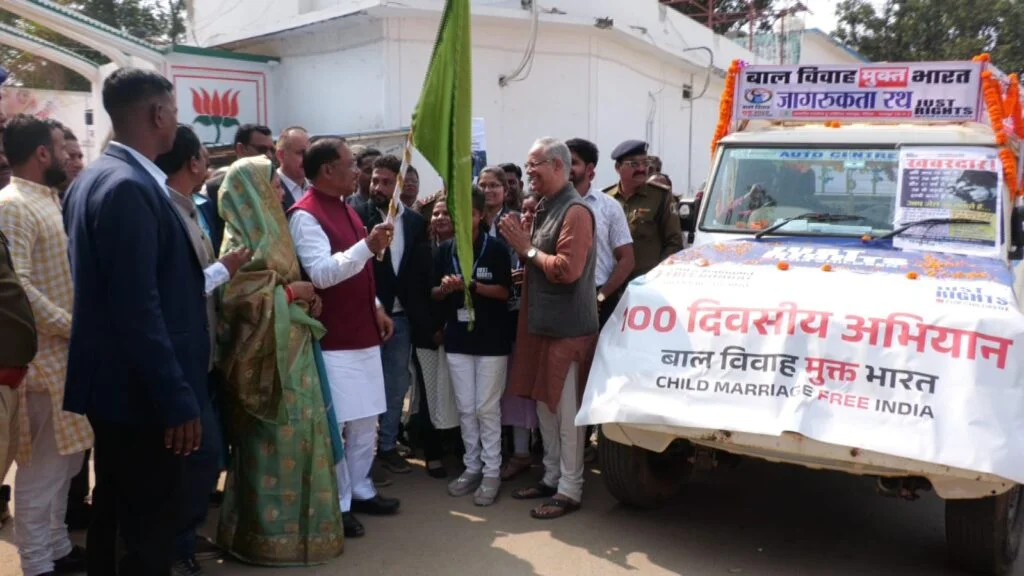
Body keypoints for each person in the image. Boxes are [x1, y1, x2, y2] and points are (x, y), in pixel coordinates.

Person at [62, 67, 205, 576]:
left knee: (116, 515)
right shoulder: (127, 186)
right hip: (142, 396)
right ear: (158, 114)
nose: (177, 120)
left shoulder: (97, 178)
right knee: (145, 531)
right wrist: (175, 399)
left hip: (120, 390)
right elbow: (138, 309)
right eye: (175, 111)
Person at [214, 154, 345, 565]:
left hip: (296, 358)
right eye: (271, 184)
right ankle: (264, 538)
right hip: (265, 366)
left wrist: (304, 297)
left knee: (305, 438)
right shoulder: (239, 240)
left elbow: (289, 282)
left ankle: (310, 533)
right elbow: (233, 301)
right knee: (268, 445)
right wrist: (290, 294)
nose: (279, 191)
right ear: (251, 192)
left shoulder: (275, 231)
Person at [288, 138, 401, 538]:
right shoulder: (305, 215)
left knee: (367, 421)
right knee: (337, 426)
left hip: (362, 331)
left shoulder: (346, 207)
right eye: (351, 165)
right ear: (327, 171)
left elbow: (360, 270)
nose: (358, 172)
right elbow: (320, 273)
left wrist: (376, 305)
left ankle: (360, 488)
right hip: (333, 338)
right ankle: (338, 502)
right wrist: (367, 246)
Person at [155, 125, 253, 575]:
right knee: (198, 454)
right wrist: (224, 269)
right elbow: (176, 290)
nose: (209, 165)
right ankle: (174, 547)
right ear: (193, 162)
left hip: (202, 355)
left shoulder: (189, 208)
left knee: (199, 455)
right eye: (205, 157)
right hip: (180, 360)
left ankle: (181, 538)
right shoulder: (165, 212)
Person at [0, 115, 91, 576]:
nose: (68, 156)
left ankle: (56, 546)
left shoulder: (47, 200)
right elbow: (17, 288)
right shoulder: (13, 205)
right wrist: (73, 326)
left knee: (67, 465)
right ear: (42, 153)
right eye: (60, 148)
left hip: (65, 358)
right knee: (42, 473)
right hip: (43, 362)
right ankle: (37, 564)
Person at [498, 137, 598, 520]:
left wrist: (526, 249)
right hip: (541, 326)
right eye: (527, 166)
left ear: (558, 166)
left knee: (566, 413)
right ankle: (551, 476)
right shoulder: (545, 207)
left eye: (534, 165)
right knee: (545, 409)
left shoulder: (576, 211)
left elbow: (567, 270)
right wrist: (527, 263)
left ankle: (570, 489)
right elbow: (542, 261)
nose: (529, 173)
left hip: (568, 330)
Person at [434, 187, 513, 506]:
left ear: (480, 215)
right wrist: (444, 287)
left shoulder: (495, 249)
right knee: (466, 408)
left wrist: (472, 285)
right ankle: (472, 467)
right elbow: (433, 292)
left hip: (491, 340)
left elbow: (505, 292)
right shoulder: (445, 249)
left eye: (468, 213)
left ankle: (492, 472)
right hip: (458, 339)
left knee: (486, 408)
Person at [353, 154, 429, 475]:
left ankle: (387, 446)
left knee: (396, 385)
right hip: (365, 317)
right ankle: (363, 456)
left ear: (400, 184)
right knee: (364, 388)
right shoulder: (357, 217)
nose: (378, 188)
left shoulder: (414, 222)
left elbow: (419, 273)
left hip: (401, 320)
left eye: (386, 182)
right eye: (375, 181)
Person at [567, 138, 635, 463]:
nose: (567, 169)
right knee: (563, 378)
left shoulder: (608, 207)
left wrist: (601, 295)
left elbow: (627, 259)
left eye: (574, 162)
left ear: (590, 170)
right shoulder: (547, 205)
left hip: (598, 301)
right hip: (560, 301)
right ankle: (565, 447)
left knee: (594, 374)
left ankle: (588, 443)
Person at [407, 199, 459, 479]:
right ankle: (433, 453)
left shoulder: (466, 250)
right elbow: (414, 298)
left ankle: (460, 449)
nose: (440, 217)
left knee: (460, 395)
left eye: (446, 213)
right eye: (436, 213)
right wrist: (432, 330)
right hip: (428, 338)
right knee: (430, 396)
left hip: (460, 337)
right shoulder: (421, 252)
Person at [602, 140, 683, 279]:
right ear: (618, 167)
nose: (641, 169)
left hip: (646, 281)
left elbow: (674, 242)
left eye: (645, 163)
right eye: (633, 164)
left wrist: (658, 275)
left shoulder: (660, 196)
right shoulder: (606, 198)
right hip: (610, 281)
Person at [202, 123, 274, 256]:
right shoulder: (213, 189)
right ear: (241, 149)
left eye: (272, 150)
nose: (269, 156)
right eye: (262, 149)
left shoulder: (274, 185)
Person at [275, 126, 310, 210]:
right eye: (301, 152)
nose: (308, 158)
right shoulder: (270, 189)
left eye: (309, 152)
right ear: (281, 155)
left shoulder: (316, 188)